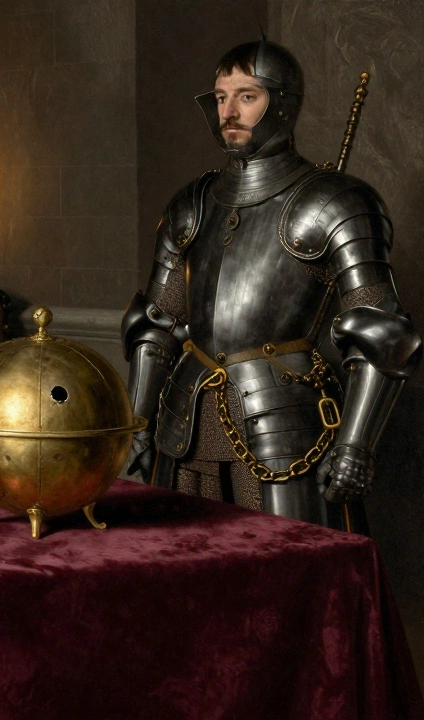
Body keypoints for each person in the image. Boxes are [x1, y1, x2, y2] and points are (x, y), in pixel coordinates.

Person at [121, 37, 420, 528]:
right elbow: (156, 323)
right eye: (221, 97)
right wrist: (137, 422)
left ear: (282, 103)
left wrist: (355, 446)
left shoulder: (336, 202)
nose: (229, 111)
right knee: (186, 558)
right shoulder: (191, 203)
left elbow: (379, 333)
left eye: (247, 96)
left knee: (285, 563)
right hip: (185, 421)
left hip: (285, 424)